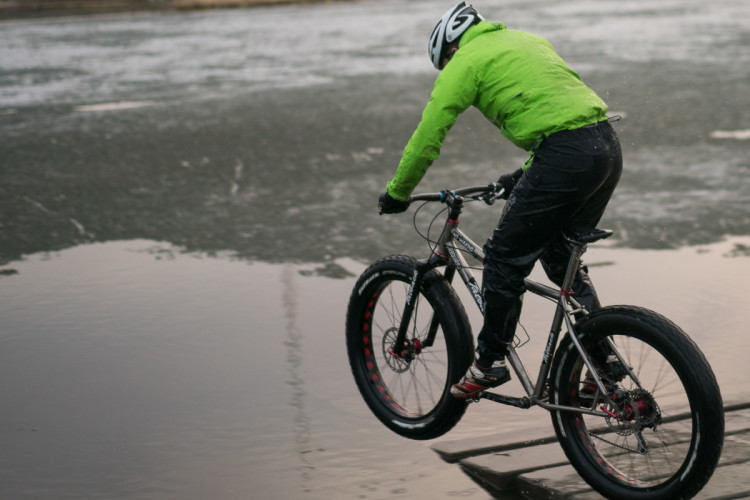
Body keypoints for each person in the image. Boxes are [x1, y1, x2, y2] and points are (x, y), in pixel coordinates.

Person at [377, 2, 623, 399]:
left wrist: (398, 191)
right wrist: (522, 177)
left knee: (504, 258)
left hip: (563, 157)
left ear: (450, 49)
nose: (448, 68)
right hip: (605, 148)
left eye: (445, 63)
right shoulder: (528, 40)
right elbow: (562, 113)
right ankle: (603, 359)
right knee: (561, 258)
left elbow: (428, 135)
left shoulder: (465, 62)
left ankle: (489, 361)